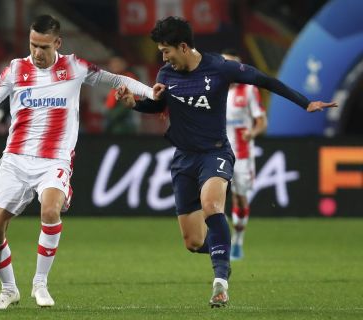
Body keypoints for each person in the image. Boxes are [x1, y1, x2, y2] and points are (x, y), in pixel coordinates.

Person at [116, 16, 337, 307]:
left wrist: (305, 102)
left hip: (215, 153)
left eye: (166, 50)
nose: (163, 56)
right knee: (193, 242)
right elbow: (158, 105)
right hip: (183, 158)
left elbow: (264, 79)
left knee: (212, 205)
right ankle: (223, 251)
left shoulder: (219, 67)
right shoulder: (166, 75)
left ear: (183, 46)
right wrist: (135, 103)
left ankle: (220, 282)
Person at [0, 14, 158, 310]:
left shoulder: (74, 66)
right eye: (32, 45)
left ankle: (40, 284)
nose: (37, 53)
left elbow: (116, 79)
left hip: (55, 159)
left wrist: (150, 92)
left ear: (57, 43)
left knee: (50, 210)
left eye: (43, 46)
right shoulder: (16, 69)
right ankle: (9, 289)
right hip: (15, 159)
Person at [222, 50, 267, 260]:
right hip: (218, 151)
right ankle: (220, 244)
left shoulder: (248, 90)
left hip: (242, 153)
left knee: (240, 199)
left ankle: (238, 240)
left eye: (228, 64)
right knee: (215, 198)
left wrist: (253, 133)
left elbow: (262, 121)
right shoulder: (215, 89)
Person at [104, 56, 139, 134]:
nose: (114, 65)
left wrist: (110, 117)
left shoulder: (128, 78)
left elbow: (126, 105)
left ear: (124, 64)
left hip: (123, 121)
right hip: (116, 119)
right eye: (112, 63)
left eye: (117, 63)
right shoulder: (115, 79)